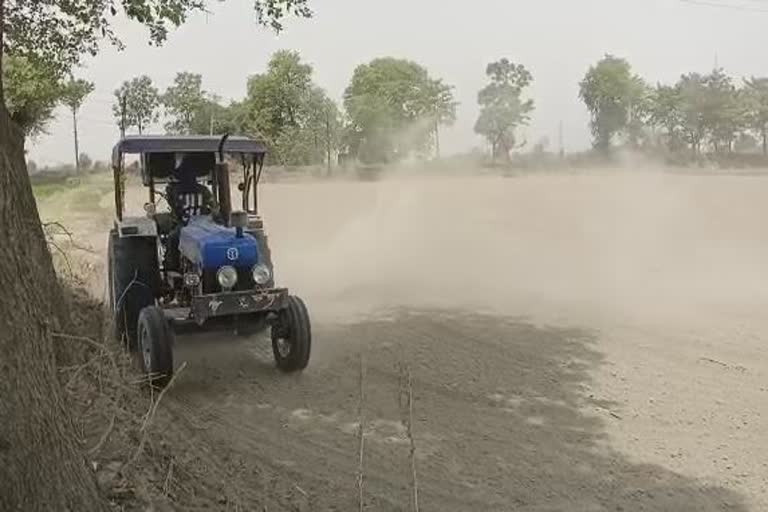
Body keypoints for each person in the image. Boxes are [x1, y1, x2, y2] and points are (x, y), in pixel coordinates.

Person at [163, 154, 219, 271]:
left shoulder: (174, 190)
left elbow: (174, 207)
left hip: (186, 226)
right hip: (203, 226)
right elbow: (214, 206)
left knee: (172, 239)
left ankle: (172, 267)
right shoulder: (203, 190)